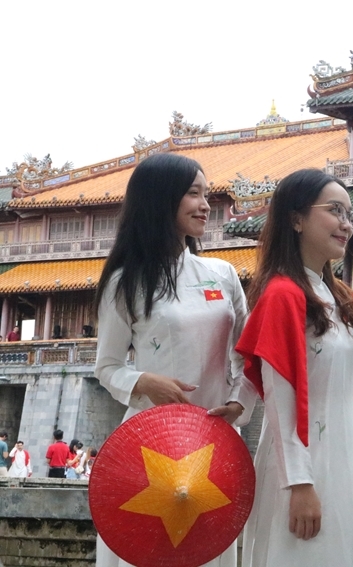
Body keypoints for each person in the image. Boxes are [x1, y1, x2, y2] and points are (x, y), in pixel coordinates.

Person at [94, 152, 257, 567]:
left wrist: (241, 403)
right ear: (160, 199)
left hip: (216, 440)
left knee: (208, 550)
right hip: (151, 445)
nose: (205, 204)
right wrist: (145, 381)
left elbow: (249, 354)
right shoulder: (126, 281)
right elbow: (108, 366)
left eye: (206, 194)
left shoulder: (220, 274)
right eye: (193, 193)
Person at [237, 169, 353, 567]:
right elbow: (280, 396)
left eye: (350, 214)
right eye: (334, 211)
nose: (346, 223)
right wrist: (299, 482)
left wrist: (351, 419)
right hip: (299, 468)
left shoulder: (342, 299)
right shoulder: (282, 295)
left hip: (345, 457)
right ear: (296, 219)